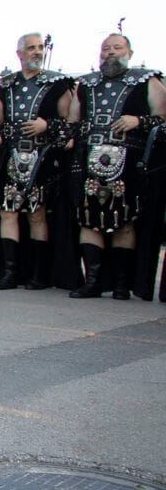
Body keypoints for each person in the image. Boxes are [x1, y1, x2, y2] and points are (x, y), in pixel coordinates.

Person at [66, 33, 166, 299]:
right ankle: (93, 281)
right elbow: (72, 120)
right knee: (88, 217)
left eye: (117, 48)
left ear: (129, 53)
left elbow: (163, 118)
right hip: (87, 159)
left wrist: (138, 121)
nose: (110, 52)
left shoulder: (148, 80)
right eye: (105, 48)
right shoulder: (85, 84)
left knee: (125, 220)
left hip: (128, 160)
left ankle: (122, 283)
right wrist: (69, 136)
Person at [0, 33, 74, 291]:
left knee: (37, 214)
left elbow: (71, 123)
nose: (36, 52)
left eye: (40, 48)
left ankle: (39, 274)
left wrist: (46, 125)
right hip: (12, 155)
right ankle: (10, 272)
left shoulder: (58, 83)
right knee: (8, 210)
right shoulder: (6, 85)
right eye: (31, 48)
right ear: (20, 54)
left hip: (42, 157)